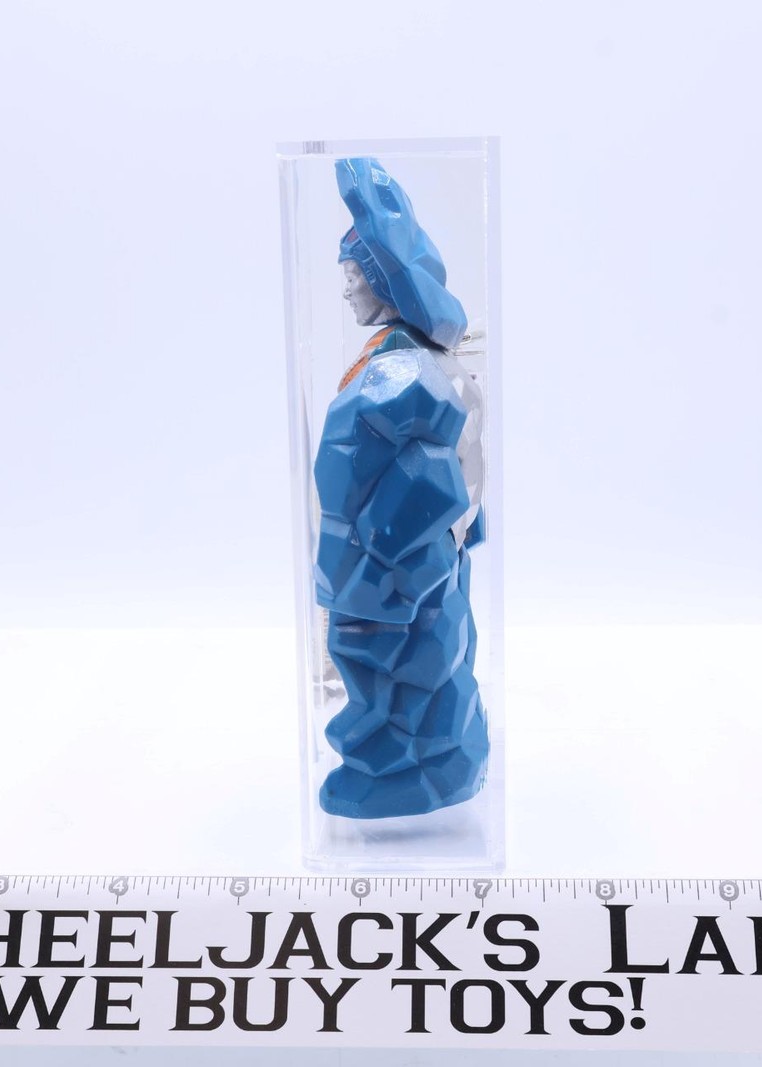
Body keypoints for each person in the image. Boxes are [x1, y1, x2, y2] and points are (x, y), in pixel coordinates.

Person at [311, 158, 489, 819]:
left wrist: (380, 576)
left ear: (382, 279)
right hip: (387, 573)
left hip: (393, 578)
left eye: (353, 275)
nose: (346, 289)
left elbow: (430, 483)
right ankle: (410, 759)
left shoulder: (407, 371)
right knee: (395, 665)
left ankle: (413, 768)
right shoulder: (405, 359)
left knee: (400, 667)